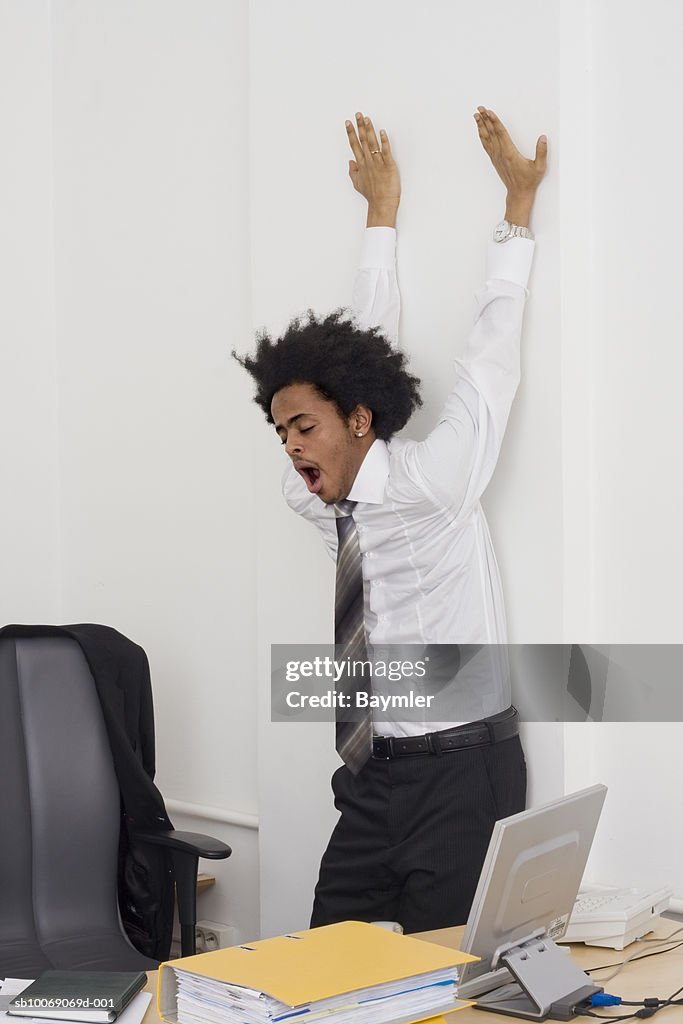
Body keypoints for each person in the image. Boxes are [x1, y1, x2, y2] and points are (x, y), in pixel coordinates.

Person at [236, 106, 547, 932]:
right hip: (374, 777)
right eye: (281, 432)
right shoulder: (309, 496)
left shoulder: (438, 483)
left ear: (361, 422)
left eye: (303, 428)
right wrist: (380, 216)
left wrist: (516, 214)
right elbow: (360, 343)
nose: (292, 448)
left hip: (462, 774)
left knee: (442, 990)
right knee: (324, 964)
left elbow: (489, 361)